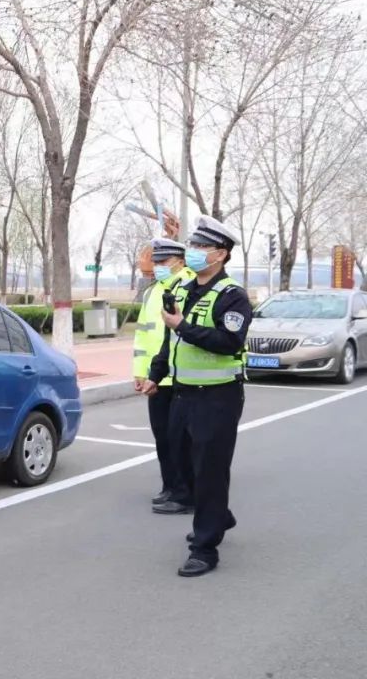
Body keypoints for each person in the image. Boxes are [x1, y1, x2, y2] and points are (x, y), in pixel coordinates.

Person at [142, 216, 252, 577]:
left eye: (201, 247)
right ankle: (219, 515)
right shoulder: (187, 290)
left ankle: (204, 548)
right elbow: (169, 340)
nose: (193, 252)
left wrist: (183, 327)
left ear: (220, 254)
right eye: (193, 246)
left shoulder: (232, 296)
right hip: (183, 395)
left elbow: (228, 342)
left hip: (217, 398)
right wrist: (155, 374)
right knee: (181, 462)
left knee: (209, 471)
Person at [133, 238, 195, 506]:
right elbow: (142, 336)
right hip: (156, 377)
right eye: (155, 262)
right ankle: (169, 486)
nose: (157, 267)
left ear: (180, 262)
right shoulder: (152, 292)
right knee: (162, 436)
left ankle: (186, 490)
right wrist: (140, 372)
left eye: (163, 262)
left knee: (182, 439)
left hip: (183, 376)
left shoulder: (192, 286)